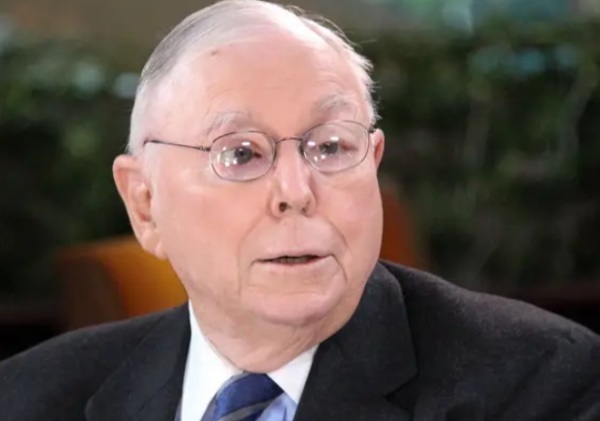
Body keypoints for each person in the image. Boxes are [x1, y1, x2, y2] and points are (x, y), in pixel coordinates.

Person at [1, 1, 599, 420]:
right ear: (145, 203)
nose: (296, 189)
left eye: (330, 147)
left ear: (373, 162)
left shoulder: (544, 384)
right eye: (240, 154)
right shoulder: (28, 396)